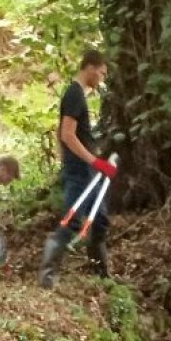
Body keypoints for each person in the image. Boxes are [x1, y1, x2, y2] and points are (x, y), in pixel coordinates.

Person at [40, 49, 117, 289]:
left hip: (88, 170)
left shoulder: (78, 96)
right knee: (73, 220)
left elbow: (62, 133)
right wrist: (93, 162)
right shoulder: (74, 94)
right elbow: (67, 134)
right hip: (81, 170)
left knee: (101, 219)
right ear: (91, 68)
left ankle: (101, 276)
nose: (102, 79)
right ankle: (48, 276)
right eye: (102, 73)